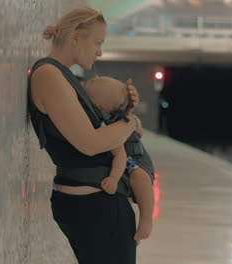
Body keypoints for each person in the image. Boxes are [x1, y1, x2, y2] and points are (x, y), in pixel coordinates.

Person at [27, 7, 142, 264]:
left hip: (96, 203)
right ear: (76, 37)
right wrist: (130, 121)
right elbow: (90, 143)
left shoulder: (62, 76)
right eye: (98, 42)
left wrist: (123, 111)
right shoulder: (49, 74)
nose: (99, 52)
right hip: (94, 206)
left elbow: (95, 132)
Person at [85, 76, 155, 241]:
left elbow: (120, 155)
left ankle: (146, 220)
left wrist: (113, 178)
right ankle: (131, 234)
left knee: (139, 178)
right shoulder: (111, 119)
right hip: (124, 161)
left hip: (135, 160)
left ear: (98, 106)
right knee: (124, 200)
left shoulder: (113, 125)